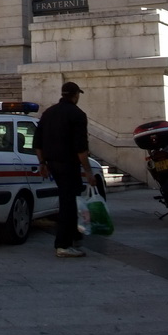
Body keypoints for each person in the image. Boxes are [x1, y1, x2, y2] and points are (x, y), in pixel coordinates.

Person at [33, 81, 96, 258]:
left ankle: (75, 236)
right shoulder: (77, 115)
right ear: (75, 95)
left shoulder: (48, 113)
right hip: (68, 164)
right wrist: (88, 171)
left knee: (69, 200)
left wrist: (42, 163)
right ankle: (63, 244)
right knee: (68, 203)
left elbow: (37, 143)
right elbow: (81, 148)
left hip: (52, 163)